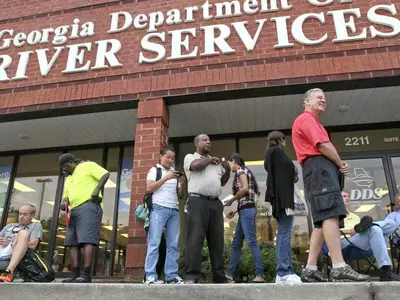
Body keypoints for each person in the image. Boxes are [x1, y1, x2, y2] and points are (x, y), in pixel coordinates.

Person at [292, 88, 369, 282]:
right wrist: (339, 163)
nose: (323, 100)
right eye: (319, 97)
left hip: (317, 170)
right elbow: (322, 145)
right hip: (319, 168)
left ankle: (310, 268)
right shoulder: (306, 119)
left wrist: (336, 165)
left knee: (321, 221)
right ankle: (339, 266)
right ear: (306, 102)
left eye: (325, 98)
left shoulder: (312, 121)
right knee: (329, 214)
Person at [183, 134, 230, 283]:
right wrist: (210, 160)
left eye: (209, 140)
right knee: (195, 239)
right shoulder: (190, 157)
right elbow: (195, 166)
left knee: (217, 241)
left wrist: (227, 170)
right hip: (198, 201)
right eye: (204, 140)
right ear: (197, 143)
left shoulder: (215, 163)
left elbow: (222, 182)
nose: (208, 142)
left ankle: (219, 277)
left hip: (215, 203)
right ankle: (192, 276)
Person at [58, 153, 110, 283]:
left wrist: (97, 190)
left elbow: (105, 174)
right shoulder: (69, 178)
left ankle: (86, 275)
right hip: (73, 210)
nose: (64, 170)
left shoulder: (88, 165)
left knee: (87, 240)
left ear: (71, 162)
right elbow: (66, 196)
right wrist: (64, 203)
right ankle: (75, 273)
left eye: (64, 167)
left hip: (89, 206)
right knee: (72, 242)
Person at [264, 131, 302, 284]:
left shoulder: (271, 153)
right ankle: (284, 272)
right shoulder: (277, 152)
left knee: (283, 233)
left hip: (280, 199)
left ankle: (285, 271)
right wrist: (294, 170)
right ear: (282, 140)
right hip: (283, 199)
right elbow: (286, 171)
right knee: (284, 234)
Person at [144, 147, 186, 284]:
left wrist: (181, 183)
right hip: (158, 208)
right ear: (160, 156)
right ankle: (150, 275)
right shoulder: (154, 170)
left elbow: (180, 196)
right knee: (154, 242)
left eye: (173, 158)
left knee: (173, 244)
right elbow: (149, 188)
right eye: (168, 157)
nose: (170, 160)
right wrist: (166, 177)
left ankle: (171, 275)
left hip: (174, 210)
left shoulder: (173, 173)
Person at [340, 190, 400, 281]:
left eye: (348, 196)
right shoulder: (334, 216)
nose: (347, 198)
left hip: (360, 241)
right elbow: (331, 232)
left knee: (389, 224)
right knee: (375, 228)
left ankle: (385, 270)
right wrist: (349, 231)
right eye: (344, 196)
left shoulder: (355, 216)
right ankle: (385, 270)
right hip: (344, 243)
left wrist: (356, 231)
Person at [224, 153, 264, 283]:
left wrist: (232, 200)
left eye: (229, 163)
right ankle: (229, 274)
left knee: (251, 241)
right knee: (236, 243)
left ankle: (260, 275)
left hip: (247, 211)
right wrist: (235, 210)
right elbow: (247, 196)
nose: (229, 167)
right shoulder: (245, 172)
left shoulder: (241, 171)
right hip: (244, 210)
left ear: (234, 161)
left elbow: (245, 189)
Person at [0, 204, 43, 282]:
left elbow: (33, 245)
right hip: (1, 249)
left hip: (14, 251)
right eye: (20, 214)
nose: (21, 216)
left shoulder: (36, 225)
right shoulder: (10, 225)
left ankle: (8, 272)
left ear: (33, 215)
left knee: (23, 233)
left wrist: (10, 243)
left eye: (25, 214)